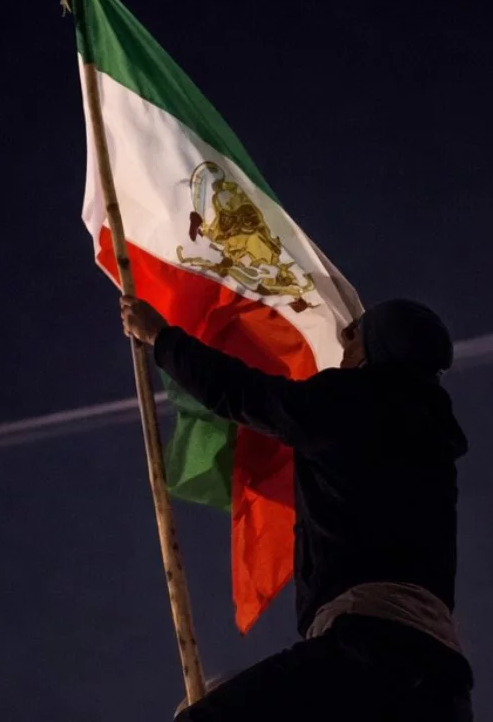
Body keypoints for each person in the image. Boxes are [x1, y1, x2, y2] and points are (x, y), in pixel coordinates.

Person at [120, 295, 473, 722]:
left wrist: (162, 338)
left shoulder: (357, 402)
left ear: (376, 349)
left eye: (354, 337)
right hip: (443, 683)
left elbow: (245, 394)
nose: (343, 347)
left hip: (367, 653)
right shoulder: (432, 445)